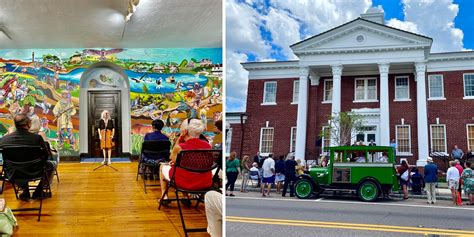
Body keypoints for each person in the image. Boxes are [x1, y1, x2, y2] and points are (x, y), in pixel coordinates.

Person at [159, 119, 212, 205]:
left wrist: (180, 138)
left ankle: (164, 196)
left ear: (185, 131)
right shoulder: (208, 146)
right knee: (182, 168)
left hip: (184, 182)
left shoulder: (180, 147)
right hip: (204, 182)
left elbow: (171, 159)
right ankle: (184, 196)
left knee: (162, 166)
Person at [0, 114, 50, 201]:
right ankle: (38, 192)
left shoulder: (4, 140)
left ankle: (25, 191)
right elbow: (46, 156)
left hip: (13, 172)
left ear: (15, 124)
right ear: (29, 124)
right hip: (35, 171)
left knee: (19, 166)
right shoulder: (37, 138)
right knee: (51, 165)